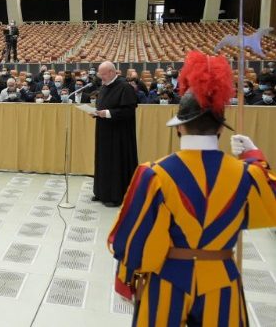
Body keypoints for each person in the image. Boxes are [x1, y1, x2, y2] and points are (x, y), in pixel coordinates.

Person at [108, 50, 276, 326]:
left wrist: (127, 279)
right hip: (222, 281)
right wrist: (254, 156)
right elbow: (271, 203)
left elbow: (131, 239)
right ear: (221, 130)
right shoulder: (248, 175)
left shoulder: (154, 174)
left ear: (179, 128)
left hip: (167, 279)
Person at [92, 61, 138, 207]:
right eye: (100, 74)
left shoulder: (124, 87)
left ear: (112, 72)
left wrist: (108, 113)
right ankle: (101, 192)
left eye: (103, 74)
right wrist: (97, 113)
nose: (101, 77)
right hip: (104, 131)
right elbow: (102, 105)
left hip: (119, 134)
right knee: (103, 161)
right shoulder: (104, 86)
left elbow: (129, 111)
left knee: (115, 162)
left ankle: (115, 196)